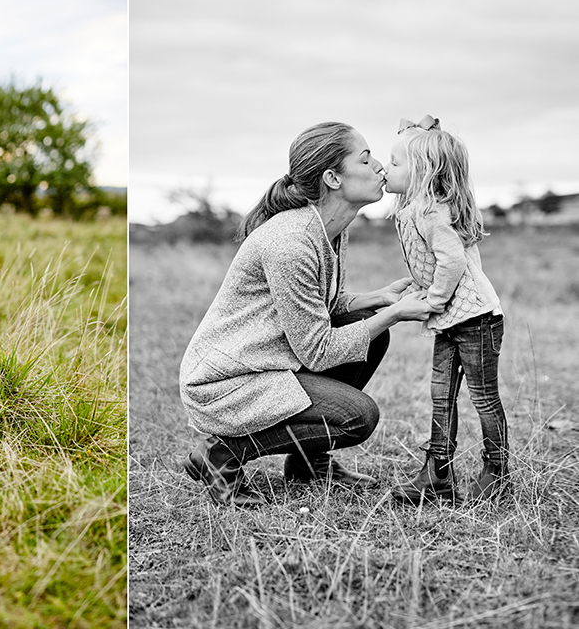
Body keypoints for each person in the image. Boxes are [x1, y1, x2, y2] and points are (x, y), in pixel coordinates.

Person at [180, 122, 434, 507]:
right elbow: (316, 350)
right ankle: (221, 456)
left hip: (267, 365)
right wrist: (395, 313)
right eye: (366, 159)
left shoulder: (329, 228)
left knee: (371, 334)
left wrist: (375, 299)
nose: (381, 166)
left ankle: (307, 464)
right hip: (227, 383)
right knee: (357, 417)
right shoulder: (291, 242)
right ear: (333, 178)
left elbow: (319, 308)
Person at [384, 115, 509, 503]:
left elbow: (452, 262)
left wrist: (434, 298)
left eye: (395, 163)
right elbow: (433, 262)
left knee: (483, 396)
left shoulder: (432, 211)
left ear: (423, 171)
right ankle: (437, 473)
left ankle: (498, 470)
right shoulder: (412, 210)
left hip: (476, 319)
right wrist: (420, 287)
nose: (386, 169)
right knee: (442, 394)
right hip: (451, 320)